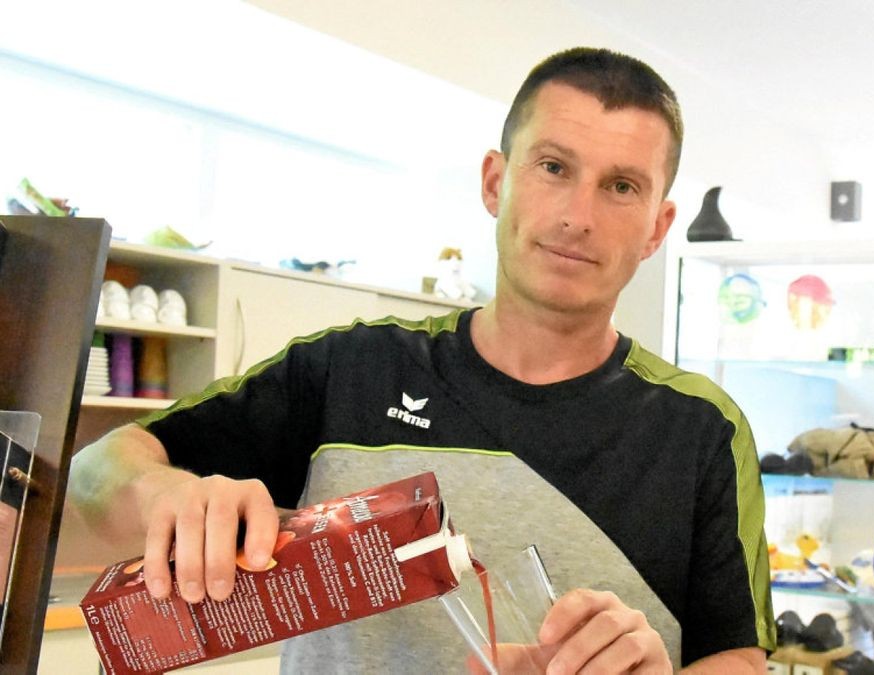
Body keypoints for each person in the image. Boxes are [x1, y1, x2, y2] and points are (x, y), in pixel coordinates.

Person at [70, 47, 775, 673]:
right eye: (554, 166)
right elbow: (94, 471)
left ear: (657, 226)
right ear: (495, 182)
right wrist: (165, 497)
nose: (578, 215)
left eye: (621, 186)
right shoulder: (350, 369)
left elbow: (738, 655)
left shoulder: (702, 427)